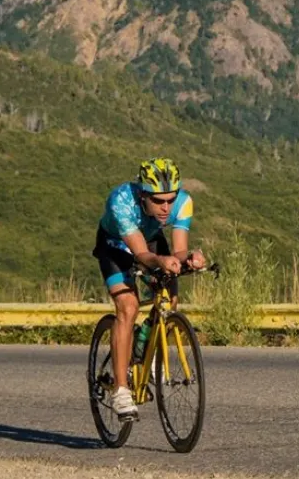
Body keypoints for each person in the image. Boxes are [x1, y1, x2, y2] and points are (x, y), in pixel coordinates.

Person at [92, 158, 206, 421]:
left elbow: (177, 249)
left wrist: (187, 258)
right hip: (116, 246)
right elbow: (140, 253)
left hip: (151, 242)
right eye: (158, 201)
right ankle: (121, 390)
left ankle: (144, 351)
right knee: (128, 308)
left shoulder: (183, 202)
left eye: (170, 199)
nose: (166, 207)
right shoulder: (121, 201)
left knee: (170, 298)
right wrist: (161, 262)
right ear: (143, 195)